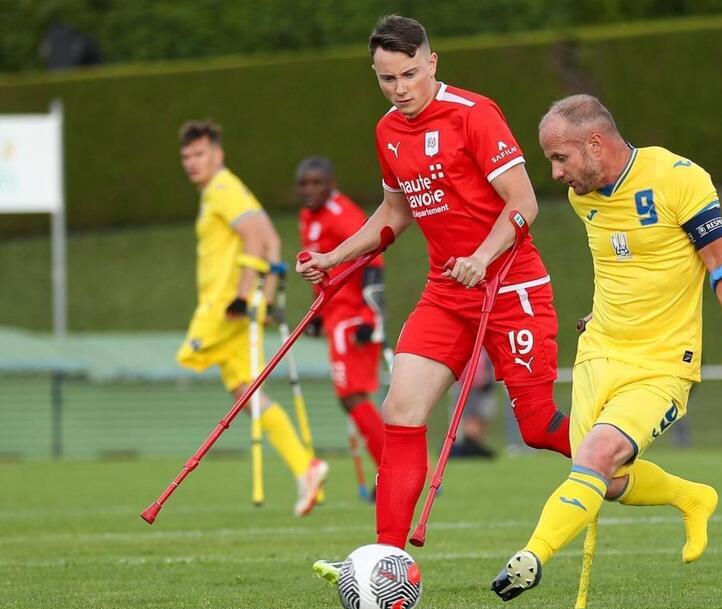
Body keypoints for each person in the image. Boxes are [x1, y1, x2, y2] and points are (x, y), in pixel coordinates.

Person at [299, 16, 571, 564]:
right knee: (400, 409)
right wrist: (334, 257)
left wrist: (481, 256)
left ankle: (625, 459)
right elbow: (394, 214)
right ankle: (386, 560)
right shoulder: (387, 132)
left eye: (408, 74)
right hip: (446, 294)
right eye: (385, 79)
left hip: (511, 287)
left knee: (539, 427)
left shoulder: (475, 115)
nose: (399, 89)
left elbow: (524, 203)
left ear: (432, 62)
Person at [491, 95, 722, 601]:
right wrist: (603, 314)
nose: (554, 174)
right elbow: (626, 264)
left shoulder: (677, 178)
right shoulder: (583, 197)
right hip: (598, 352)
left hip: (662, 362)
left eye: (560, 158)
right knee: (605, 477)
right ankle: (691, 496)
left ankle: (529, 559)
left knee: (596, 456)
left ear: (595, 144)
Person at [175, 120, 328, 517]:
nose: (192, 163)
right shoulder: (221, 191)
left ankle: (304, 467)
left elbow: (257, 240)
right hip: (233, 308)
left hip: (224, 311)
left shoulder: (223, 188)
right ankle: (305, 468)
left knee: (191, 363)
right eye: (187, 156)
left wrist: (245, 298)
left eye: (200, 154)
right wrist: (269, 296)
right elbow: (272, 239)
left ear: (217, 155)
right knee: (246, 394)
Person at [296, 156, 387, 473]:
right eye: (304, 184)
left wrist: (371, 316)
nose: (309, 190)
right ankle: (396, 468)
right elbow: (320, 268)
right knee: (352, 397)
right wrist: (318, 313)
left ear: (331, 184)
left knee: (352, 395)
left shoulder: (341, 214)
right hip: (334, 316)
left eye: (317, 183)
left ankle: (394, 469)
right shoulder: (308, 216)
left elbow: (373, 259)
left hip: (353, 317)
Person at [450, 352, 497, 458]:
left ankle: (476, 447)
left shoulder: (486, 350)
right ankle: (472, 447)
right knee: (471, 419)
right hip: (468, 386)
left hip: (483, 387)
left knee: (481, 418)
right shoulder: (469, 348)